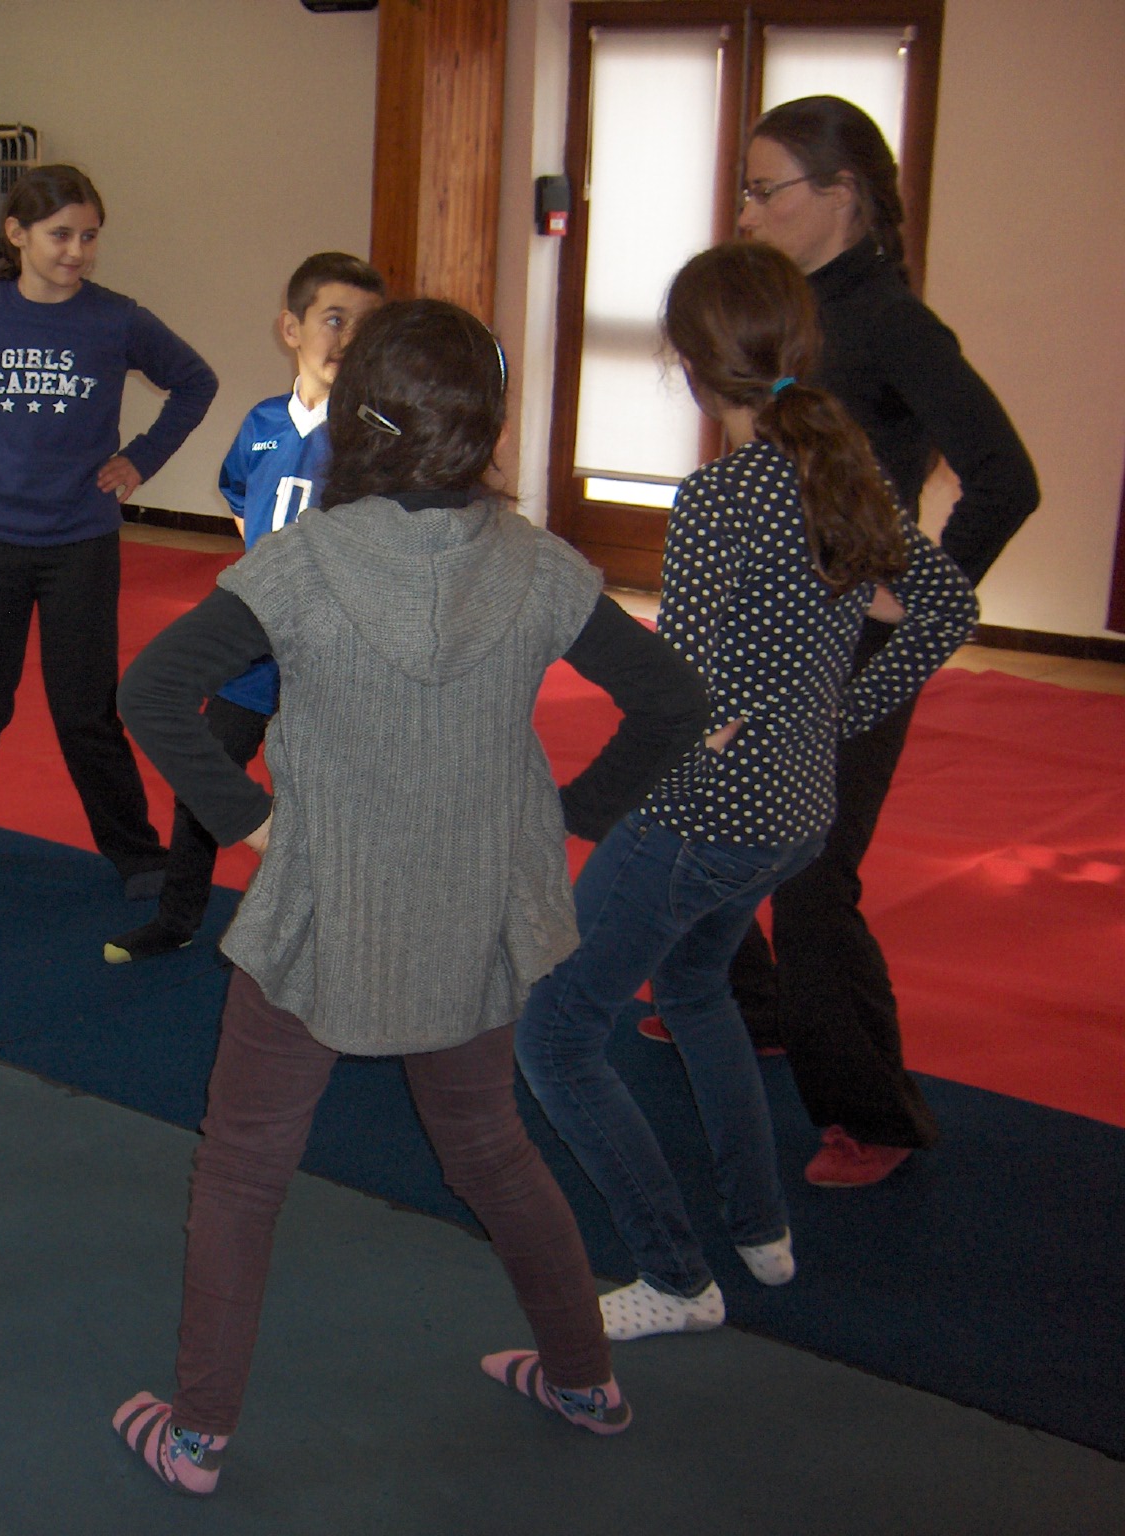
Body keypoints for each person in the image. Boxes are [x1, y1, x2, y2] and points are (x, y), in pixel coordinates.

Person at [110, 300, 713, 1493]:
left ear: (357, 422)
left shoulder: (299, 566)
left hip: (320, 921)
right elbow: (670, 704)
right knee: (490, 1149)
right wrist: (566, 820)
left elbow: (149, 693)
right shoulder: (540, 566)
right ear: (484, 426)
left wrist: (249, 823)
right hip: (469, 917)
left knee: (241, 1171)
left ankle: (196, 1434)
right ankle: (584, 1378)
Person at [514, 242, 978, 1343]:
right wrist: (843, 711)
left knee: (554, 1032)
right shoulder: (842, 473)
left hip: (701, 817)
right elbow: (947, 607)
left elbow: (678, 689)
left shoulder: (722, 494)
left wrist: (579, 800)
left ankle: (675, 1276)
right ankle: (759, 1227)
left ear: (684, 363)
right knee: (693, 990)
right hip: (793, 811)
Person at [724, 95, 1039, 1187]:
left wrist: (914, 600)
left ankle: (875, 1116)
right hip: (770, 620)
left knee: (810, 876)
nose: (748, 208)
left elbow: (1004, 477)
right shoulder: (784, 309)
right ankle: (756, 1007)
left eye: (766, 189)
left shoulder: (891, 321)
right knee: (702, 810)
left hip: (853, 645)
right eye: (746, 189)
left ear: (840, 195)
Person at [0, 164, 218, 890]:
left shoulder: (116, 318)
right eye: (59, 236)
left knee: (86, 712)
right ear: (17, 234)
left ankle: (136, 852)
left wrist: (138, 460)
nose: (75, 251)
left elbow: (194, 381)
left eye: (89, 237)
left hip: (80, 540)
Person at [102, 252, 384, 964]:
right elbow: (239, 498)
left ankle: (334, 928)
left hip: (326, 657)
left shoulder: (372, 441)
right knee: (207, 780)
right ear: (290, 328)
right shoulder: (261, 423)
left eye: (366, 325)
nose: (349, 337)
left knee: (323, 791)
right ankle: (179, 915)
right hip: (249, 650)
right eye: (333, 319)